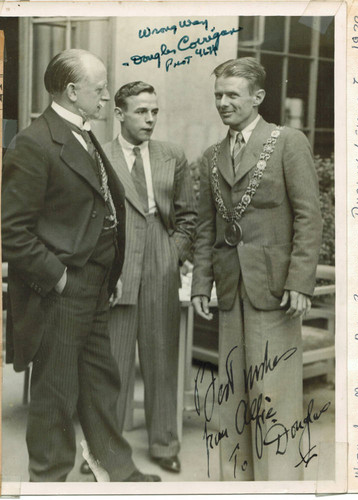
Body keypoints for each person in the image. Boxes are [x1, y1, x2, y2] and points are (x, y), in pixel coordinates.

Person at [2, 49, 160, 482]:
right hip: (62, 289)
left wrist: (109, 271)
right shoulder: (34, 143)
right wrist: (60, 278)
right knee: (55, 390)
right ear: (72, 92)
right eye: (100, 88)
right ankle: (49, 482)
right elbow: (11, 231)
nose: (108, 97)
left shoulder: (82, 133)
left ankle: (118, 471)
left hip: (95, 284)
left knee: (98, 380)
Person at [191, 57, 323, 481]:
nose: (223, 103)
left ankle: (282, 486)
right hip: (231, 292)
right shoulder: (213, 156)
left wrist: (300, 281)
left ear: (258, 97)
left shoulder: (288, 142)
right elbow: (208, 227)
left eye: (232, 94)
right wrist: (200, 284)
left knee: (275, 395)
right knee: (234, 397)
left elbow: (309, 216)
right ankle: (240, 486)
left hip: (275, 292)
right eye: (218, 96)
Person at [103, 81, 196, 473]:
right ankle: (107, 449)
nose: (150, 118)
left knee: (161, 361)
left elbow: (189, 217)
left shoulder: (171, 155)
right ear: (119, 113)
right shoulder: (100, 155)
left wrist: (173, 255)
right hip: (118, 266)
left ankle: (164, 445)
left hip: (161, 262)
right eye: (141, 111)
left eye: (154, 111)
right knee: (113, 366)